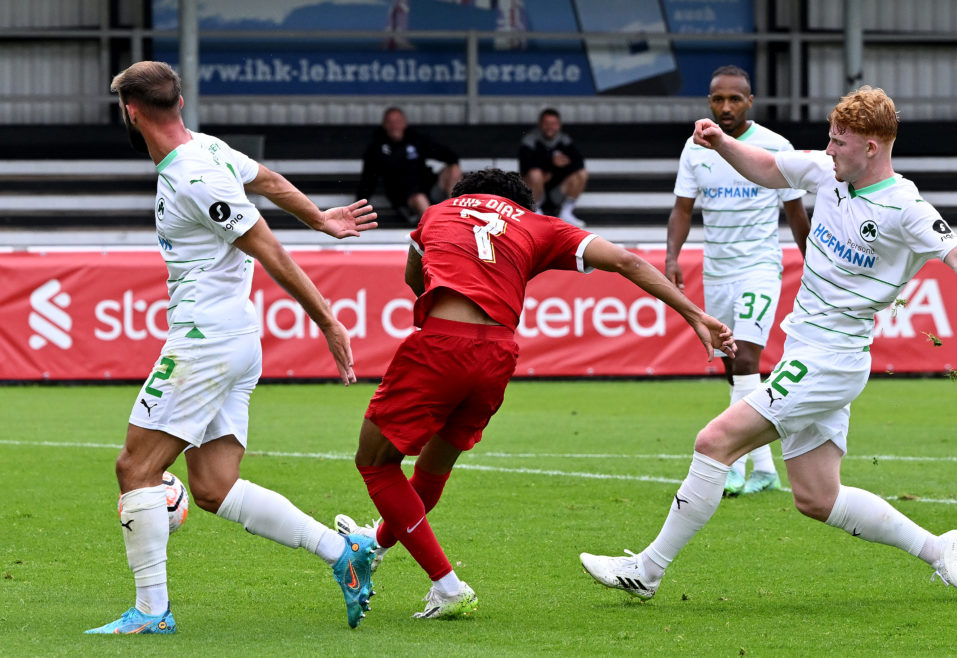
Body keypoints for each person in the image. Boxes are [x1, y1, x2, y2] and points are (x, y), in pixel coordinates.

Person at [581, 86, 957, 605]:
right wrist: (719, 143)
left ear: (872, 147)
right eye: (829, 138)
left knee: (713, 442)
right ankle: (941, 549)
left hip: (832, 360)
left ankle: (648, 569)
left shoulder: (905, 206)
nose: (828, 149)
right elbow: (769, 166)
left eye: (839, 142)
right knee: (817, 497)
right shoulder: (828, 172)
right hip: (807, 349)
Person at [337, 168, 735, 620]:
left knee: (374, 462)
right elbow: (627, 262)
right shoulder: (537, 224)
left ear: (463, 195)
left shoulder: (437, 212)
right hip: (497, 355)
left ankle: (448, 586)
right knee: (431, 472)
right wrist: (693, 313)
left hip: (442, 344)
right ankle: (373, 545)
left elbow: (416, 281)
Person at [87, 61, 380, 634]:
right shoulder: (208, 149)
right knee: (213, 487)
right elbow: (267, 180)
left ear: (132, 112)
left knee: (136, 469)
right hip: (235, 340)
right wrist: (320, 217)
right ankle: (344, 554)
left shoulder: (194, 175)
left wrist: (329, 322)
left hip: (205, 342)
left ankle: (151, 612)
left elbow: (270, 251)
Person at [667, 65, 811, 496]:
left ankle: (730, 460)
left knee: (747, 358)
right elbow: (682, 209)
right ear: (708, 102)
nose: (725, 107)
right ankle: (764, 468)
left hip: (760, 267)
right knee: (732, 365)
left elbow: (796, 213)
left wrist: (817, 267)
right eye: (717, 99)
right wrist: (673, 256)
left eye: (734, 99)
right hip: (718, 270)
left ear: (750, 101)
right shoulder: (695, 149)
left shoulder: (774, 146)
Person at [356, 107, 462, 226]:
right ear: (384, 125)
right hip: (406, 197)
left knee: (454, 170)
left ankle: (453, 215)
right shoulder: (377, 149)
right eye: (390, 122)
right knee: (419, 198)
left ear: (404, 123)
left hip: (429, 187)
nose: (394, 125)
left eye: (397, 122)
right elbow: (368, 179)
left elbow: (449, 156)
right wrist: (359, 206)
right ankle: (438, 229)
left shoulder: (416, 140)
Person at [518, 108, 588, 227]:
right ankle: (535, 212)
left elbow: (579, 162)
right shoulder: (530, 140)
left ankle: (566, 213)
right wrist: (551, 161)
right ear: (540, 124)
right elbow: (526, 166)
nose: (550, 127)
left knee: (582, 173)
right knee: (535, 174)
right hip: (534, 191)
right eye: (546, 123)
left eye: (553, 124)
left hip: (557, 191)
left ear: (559, 125)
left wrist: (556, 169)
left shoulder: (564, 140)